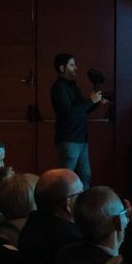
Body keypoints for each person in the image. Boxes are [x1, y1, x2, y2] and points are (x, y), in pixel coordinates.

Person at [50, 53, 107, 187]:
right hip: (69, 140)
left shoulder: (73, 86)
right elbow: (69, 113)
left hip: (81, 139)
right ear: (62, 68)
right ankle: (62, 200)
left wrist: (96, 102)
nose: (76, 67)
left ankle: (83, 200)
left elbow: (83, 110)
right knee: (66, 179)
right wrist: (90, 101)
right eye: (72, 65)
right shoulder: (59, 88)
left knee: (85, 175)